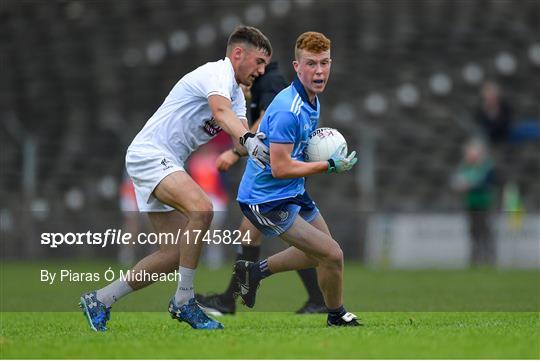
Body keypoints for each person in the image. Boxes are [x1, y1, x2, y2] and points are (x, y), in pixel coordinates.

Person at [79, 26, 272, 331]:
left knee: (172, 254)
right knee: (202, 209)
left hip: (162, 160)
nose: (261, 71)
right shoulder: (216, 74)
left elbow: (239, 142)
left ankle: (100, 299)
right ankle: (184, 301)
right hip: (151, 153)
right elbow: (222, 115)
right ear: (238, 54)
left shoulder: (235, 94)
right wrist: (249, 138)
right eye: (259, 62)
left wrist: (264, 133)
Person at [232, 31, 360, 327]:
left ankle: (254, 272)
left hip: (290, 190)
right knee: (332, 253)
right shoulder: (289, 110)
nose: (319, 71)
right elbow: (280, 168)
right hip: (264, 200)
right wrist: (327, 165)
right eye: (311, 64)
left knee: (322, 253)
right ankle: (336, 315)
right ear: (297, 66)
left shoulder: (312, 101)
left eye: (324, 63)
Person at [196, 61, 327, 315]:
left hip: (280, 179)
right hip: (279, 176)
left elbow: (267, 117)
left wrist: (235, 152)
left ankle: (233, 297)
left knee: (311, 244)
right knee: (251, 232)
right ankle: (232, 298)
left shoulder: (269, 82)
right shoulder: (266, 82)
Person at [451, 138, 497, 266]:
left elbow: (485, 183)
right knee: (473, 232)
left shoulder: (487, 167)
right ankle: (475, 259)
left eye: (472, 151)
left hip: (484, 203)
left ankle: (490, 258)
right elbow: (456, 182)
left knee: (486, 231)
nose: (470, 154)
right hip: (470, 203)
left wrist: (469, 184)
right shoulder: (464, 166)